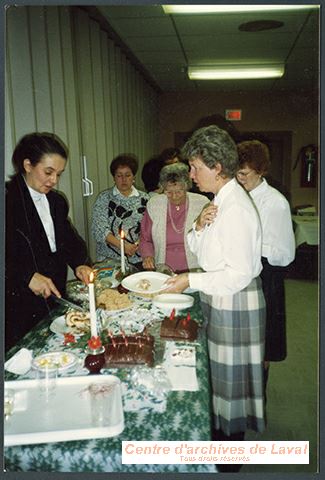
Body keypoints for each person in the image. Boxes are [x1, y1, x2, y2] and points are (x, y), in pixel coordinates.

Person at [164, 126, 266, 468]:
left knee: (231, 388)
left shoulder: (235, 207)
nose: (191, 175)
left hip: (235, 299)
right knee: (220, 384)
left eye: (195, 168)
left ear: (217, 167)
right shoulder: (218, 201)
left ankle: (227, 463)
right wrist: (199, 226)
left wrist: (187, 280)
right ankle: (221, 449)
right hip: (219, 294)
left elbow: (237, 274)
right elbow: (201, 250)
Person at [5, 132, 92, 351]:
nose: (54, 180)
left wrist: (80, 262)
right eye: (48, 172)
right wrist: (27, 277)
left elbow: (68, 239)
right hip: (18, 303)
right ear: (27, 165)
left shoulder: (56, 201)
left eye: (59, 174)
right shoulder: (7, 200)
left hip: (54, 294)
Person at [236, 140, 295, 386]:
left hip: (266, 279)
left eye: (245, 174)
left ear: (260, 171)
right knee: (242, 345)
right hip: (242, 275)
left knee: (263, 350)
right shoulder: (237, 196)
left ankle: (259, 402)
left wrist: (251, 244)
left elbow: (286, 255)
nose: (240, 179)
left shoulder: (275, 202)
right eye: (236, 173)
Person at [139, 162, 208, 273]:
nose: (174, 196)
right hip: (163, 270)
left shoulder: (202, 203)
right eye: (169, 192)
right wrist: (148, 256)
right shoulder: (154, 204)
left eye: (179, 191)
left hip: (195, 268)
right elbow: (145, 238)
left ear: (186, 187)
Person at [91, 154, 149, 268]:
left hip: (138, 258)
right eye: (119, 175)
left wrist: (135, 245)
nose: (124, 179)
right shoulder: (104, 198)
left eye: (128, 175)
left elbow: (149, 229)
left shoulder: (146, 199)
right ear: (113, 177)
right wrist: (123, 246)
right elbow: (99, 229)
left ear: (134, 177)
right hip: (109, 259)